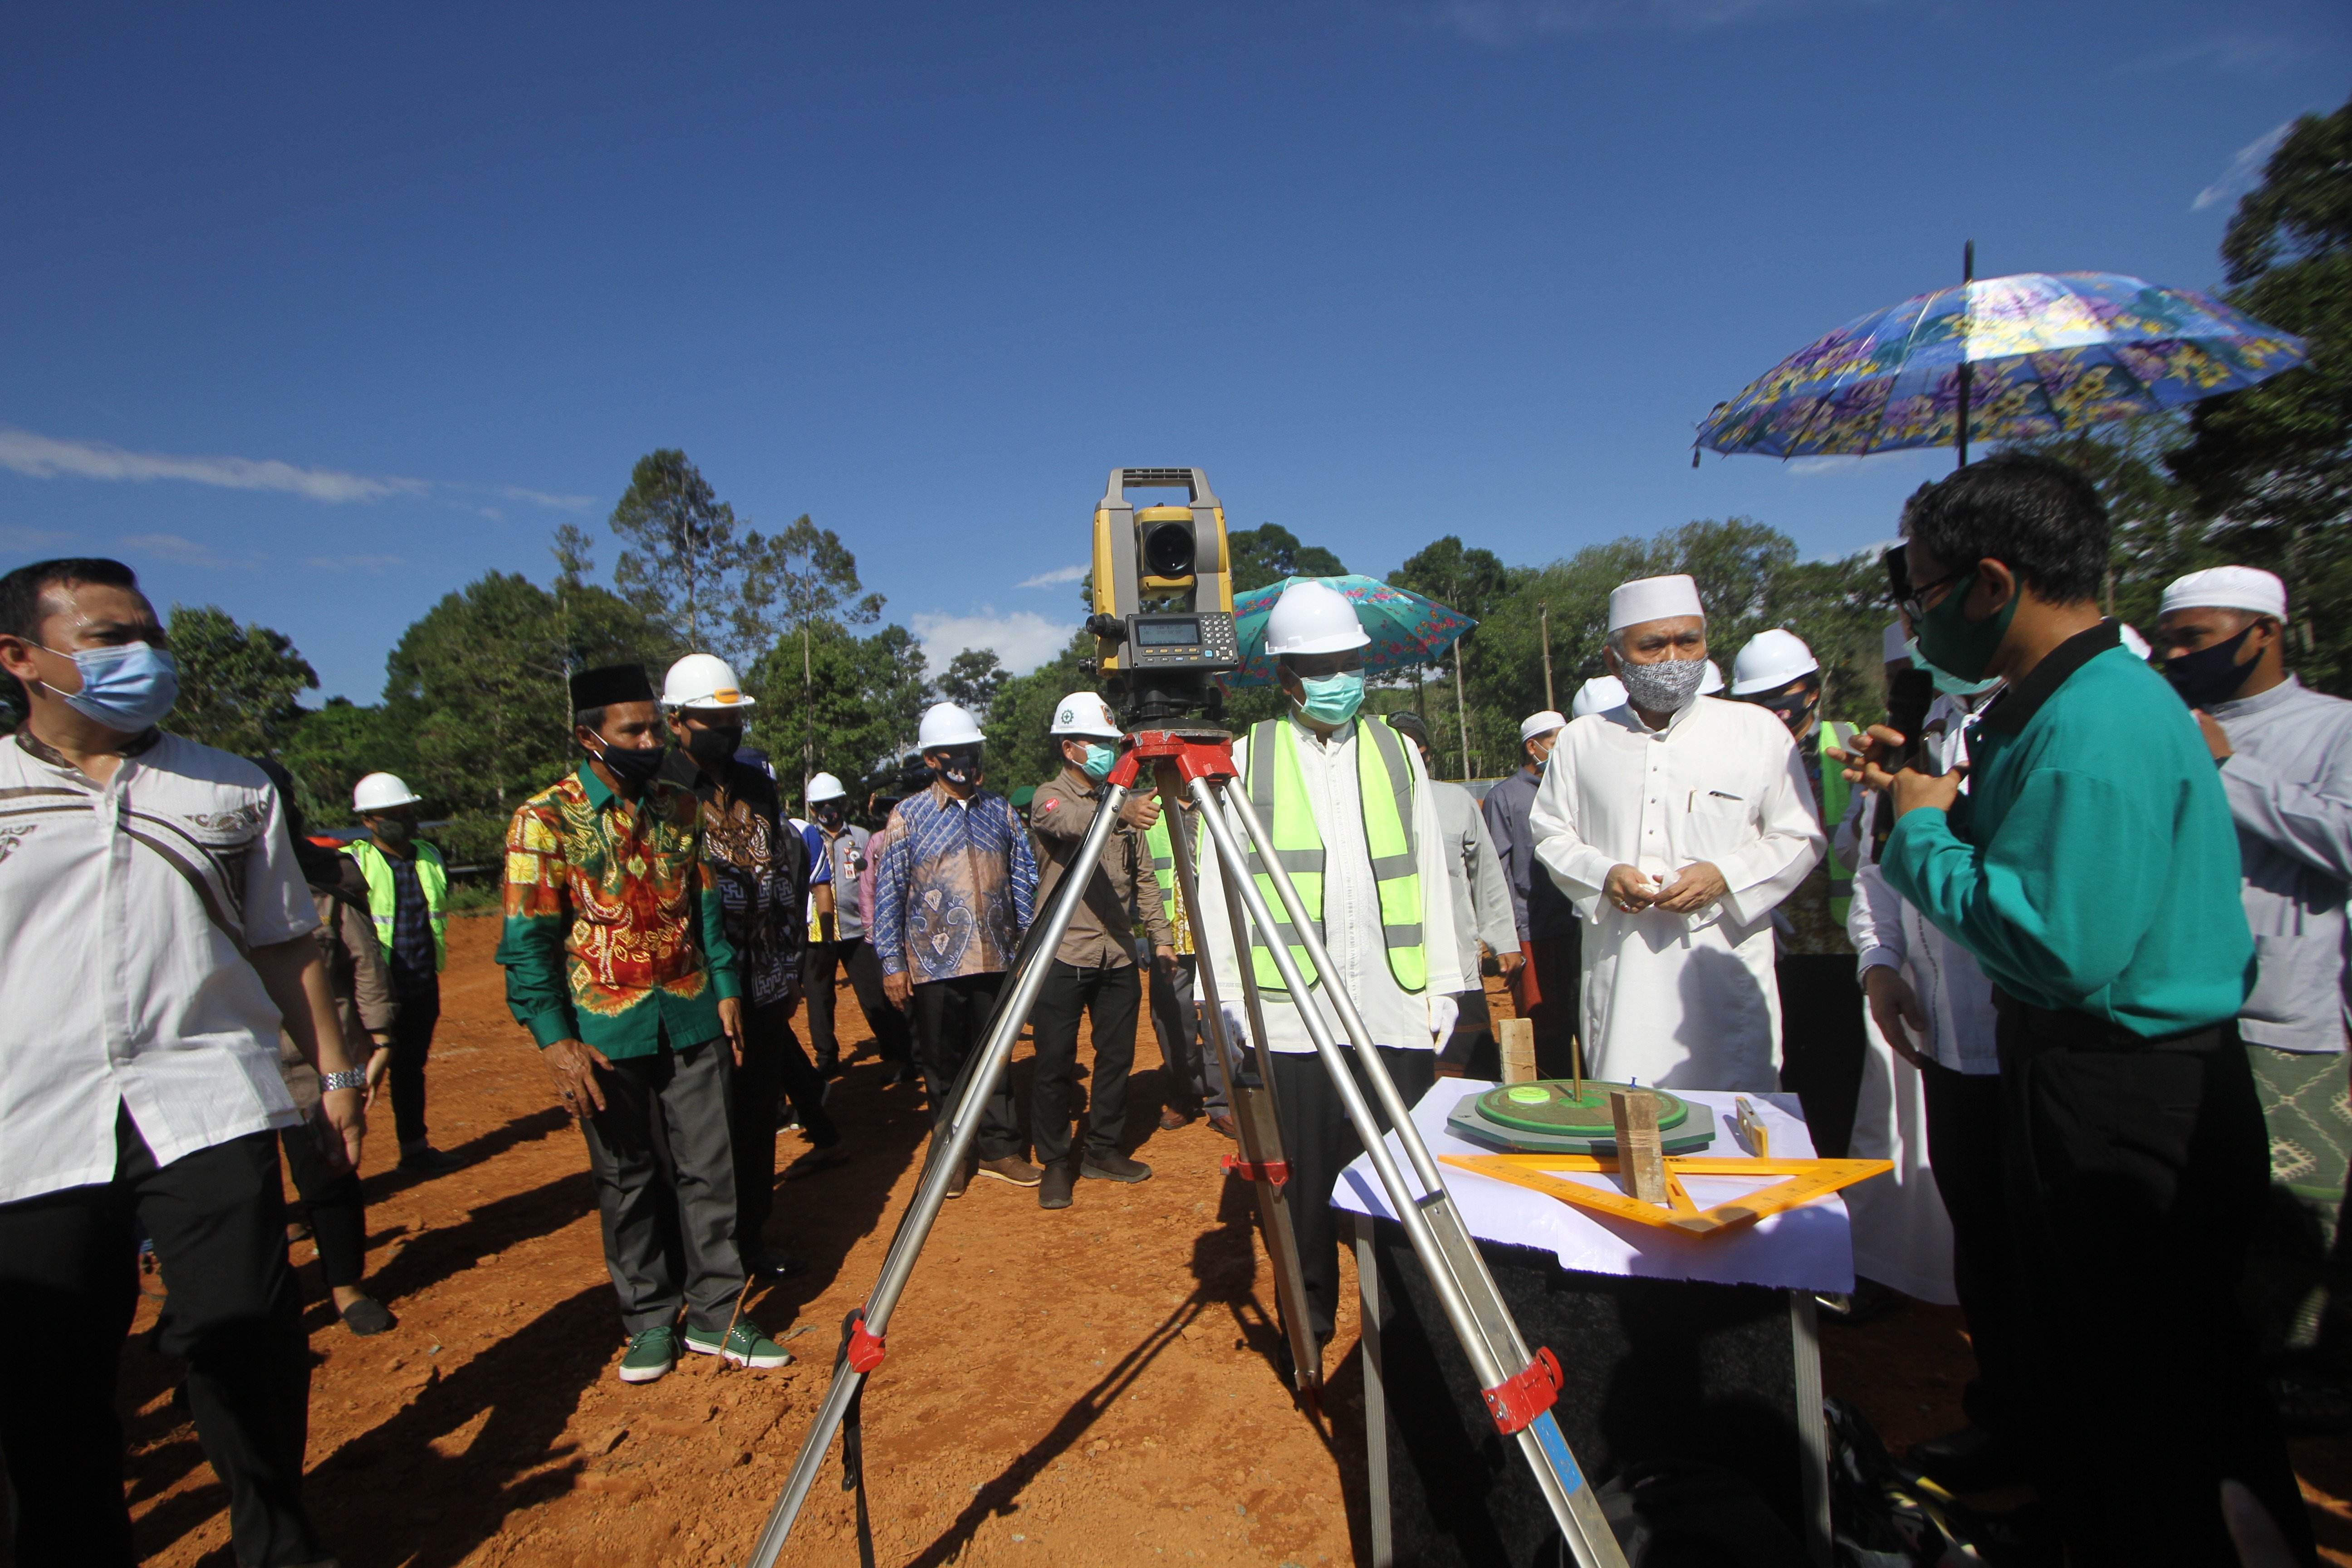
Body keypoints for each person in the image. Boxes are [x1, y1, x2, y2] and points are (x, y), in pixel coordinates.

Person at [1850, 454, 2308, 1565]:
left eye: (1923, 593)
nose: (1915, 621)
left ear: (1991, 584)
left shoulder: (2095, 721)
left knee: (2155, 1375)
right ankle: (2086, 1521)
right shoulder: (2063, 707)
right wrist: (1935, 795)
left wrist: (1922, 831)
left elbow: (2059, 944)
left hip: (2123, 1084)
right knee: (2095, 1353)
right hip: (2087, 1069)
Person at [0, 557, 360, 1568]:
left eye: (150, 635)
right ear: (21, 657)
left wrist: (335, 1076)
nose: (145, 656)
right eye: (110, 638)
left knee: (248, 1332)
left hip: (205, 1097)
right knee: (47, 1371)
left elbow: (287, 946)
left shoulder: (230, 786)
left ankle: (277, 1543)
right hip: (28, 1120)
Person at [498, 662, 790, 1383]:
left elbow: (705, 906)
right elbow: (528, 942)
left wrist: (726, 987)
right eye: (633, 732)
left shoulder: (677, 807)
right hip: (604, 1033)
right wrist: (555, 1041)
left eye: (655, 728)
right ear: (588, 737)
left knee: (711, 1169)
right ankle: (650, 1319)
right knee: (627, 1178)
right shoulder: (543, 820)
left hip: (692, 1016)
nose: (651, 742)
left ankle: (717, 1314)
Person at [1194, 580, 1463, 1357]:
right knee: (1302, 1185)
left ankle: (1415, 1334)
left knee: (1408, 1174)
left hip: (1392, 997)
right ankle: (1307, 1331)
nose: (1337, 678)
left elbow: (1429, 868)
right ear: (1285, 676)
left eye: (1347, 662)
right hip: (1289, 1011)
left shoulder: (1397, 751)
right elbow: (1217, 884)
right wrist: (1227, 994)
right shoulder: (1246, 757)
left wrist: (1443, 981)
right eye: (1317, 666)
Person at [2156, 565, 2352, 1404]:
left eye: (2193, 638)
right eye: (2167, 639)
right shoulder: (2161, 724)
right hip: (2171, 1008)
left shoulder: (2332, 727)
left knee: (2288, 1213)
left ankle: (2302, 1378)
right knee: (2194, 1210)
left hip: (2282, 1014)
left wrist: (2229, 770)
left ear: (2263, 632)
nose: (2175, 654)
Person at [1530, 575, 1824, 1092]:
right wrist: (1604, 875)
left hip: (1725, 969)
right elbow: (1551, 833)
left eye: (1688, 641)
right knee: (1627, 1107)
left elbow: (1800, 836)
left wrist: (1725, 876)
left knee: (1733, 1119)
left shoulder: (1757, 732)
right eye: (1653, 646)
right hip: (1623, 969)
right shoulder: (1582, 741)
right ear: (1614, 659)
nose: (1674, 658)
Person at [1848, 632, 2010, 1490]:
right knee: (1986, 1240)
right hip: (1947, 1037)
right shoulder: (1919, 740)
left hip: (2026, 1034)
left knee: (2052, 1259)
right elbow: (1877, 870)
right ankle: (2010, 1421)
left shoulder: (2035, 725)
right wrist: (1879, 962)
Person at [657, 656, 840, 1280]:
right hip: (695, 990)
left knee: (757, 1119)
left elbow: (785, 879)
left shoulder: (758, 787)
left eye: (733, 719)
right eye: (713, 721)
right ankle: (697, 1261)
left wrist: (788, 969)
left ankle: (751, 1241)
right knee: (700, 1132)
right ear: (677, 722)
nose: (727, 730)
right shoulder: (660, 790)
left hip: (762, 984)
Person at [873, 701, 1039, 1195]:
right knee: (943, 1065)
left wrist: (1027, 945)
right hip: (934, 964)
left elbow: (1024, 877)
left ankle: (1000, 1148)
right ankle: (952, 1157)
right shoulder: (909, 816)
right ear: (932, 760)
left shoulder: (1000, 810)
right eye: (955, 752)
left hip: (996, 957)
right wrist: (892, 963)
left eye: (972, 749)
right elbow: (889, 891)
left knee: (995, 1057)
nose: (966, 759)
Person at [258, 759, 399, 1338]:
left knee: (329, 1173)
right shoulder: (198, 886)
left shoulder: (326, 879)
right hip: (232, 1067)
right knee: (238, 1191)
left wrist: (380, 1037)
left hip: (316, 1063)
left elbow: (364, 961)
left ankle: (345, 1287)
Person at [1025, 692, 1171, 1208]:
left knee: (1117, 1058)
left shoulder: (1122, 803)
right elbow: (1071, 824)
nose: (1109, 752)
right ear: (1070, 748)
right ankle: (1055, 1162)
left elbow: (1145, 878)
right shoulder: (1050, 797)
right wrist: (1121, 810)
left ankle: (1103, 1150)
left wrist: (1161, 938)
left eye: (1112, 743)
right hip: (1063, 953)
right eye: (1098, 743)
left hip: (1118, 953)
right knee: (1054, 1062)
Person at [1731, 629, 1866, 1156]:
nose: (1773, 709)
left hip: (1839, 944)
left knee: (1836, 1082)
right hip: (1769, 941)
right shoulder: (1740, 753)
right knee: (1776, 1077)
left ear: (1812, 690)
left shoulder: (1849, 746)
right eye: (1758, 699)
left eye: (1781, 695)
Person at [344, 769, 460, 1172]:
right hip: (372, 989)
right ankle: (339, 1166)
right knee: (352, 1075)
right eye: (391, 815)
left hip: (421, 982)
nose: (404, 820)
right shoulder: (352, 862)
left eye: (407, 812)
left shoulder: (429, 856)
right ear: (367, 820)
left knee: (410, 1069)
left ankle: (414, 1149)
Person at [1391, 710, 1521, 1068]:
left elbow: (1486, 876)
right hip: (1393, 969)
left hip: (1457, 962)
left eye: (1415, 747)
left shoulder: (1456, 801)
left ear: (1428, 754)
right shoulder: (1363, 806)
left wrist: (1504, 941)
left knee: (1465, 1072)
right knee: (1402, 1072)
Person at [1482, 709, 1581, 1079]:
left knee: (1579, 1011)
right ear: (1533, 747)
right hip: (1532, 928)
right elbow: (1496, 869)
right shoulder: (1505, 797)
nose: (1562, 751)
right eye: (1556, 743)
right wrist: (1506, 933)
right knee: (1542, 1020)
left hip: (1577, 923)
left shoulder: (1571, 791)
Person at [802, 770, 914, 1078]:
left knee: (874, 993)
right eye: (821, 805)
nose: (828, 810)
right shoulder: (807, 839)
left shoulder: (862, 837)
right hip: (817, 935)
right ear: (812, 808)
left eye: (833, 803)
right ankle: (826, 1056)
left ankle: (894, 1047)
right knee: (819, 998)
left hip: (857, 932)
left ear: (843, 803)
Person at [1145, 792, 1230, 1136]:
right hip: (1169, 936)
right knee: (1170, 1019)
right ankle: (1184, 1094)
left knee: (1220, 1019)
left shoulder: (1222, 804)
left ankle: (1223, 1101)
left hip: (1218, 933)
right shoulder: (1148, 812)